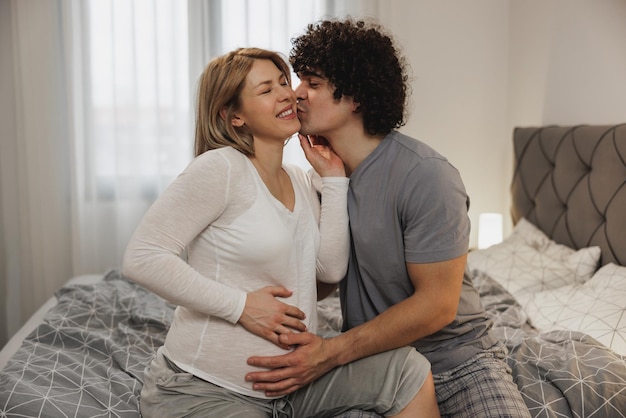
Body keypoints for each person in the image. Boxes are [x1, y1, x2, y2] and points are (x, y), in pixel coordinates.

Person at [122, 47, 440, 417]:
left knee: (407, 370)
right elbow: (142, 257)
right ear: (233, 116)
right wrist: (241, 307)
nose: (287, 93)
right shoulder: (220, 169)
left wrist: (334, 180)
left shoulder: (300, 179)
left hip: (293, 386)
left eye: (284, 82)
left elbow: (329, 271)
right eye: (266, 89)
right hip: (206, 389)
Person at [245, 19, 532, 418]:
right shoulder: (323, 178)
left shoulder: (426, 175)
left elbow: (437, 306)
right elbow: (325, 282)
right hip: (372, 363)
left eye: (312, 82)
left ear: (356, 97)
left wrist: (330, 352)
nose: (296, 94)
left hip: (457, 360)